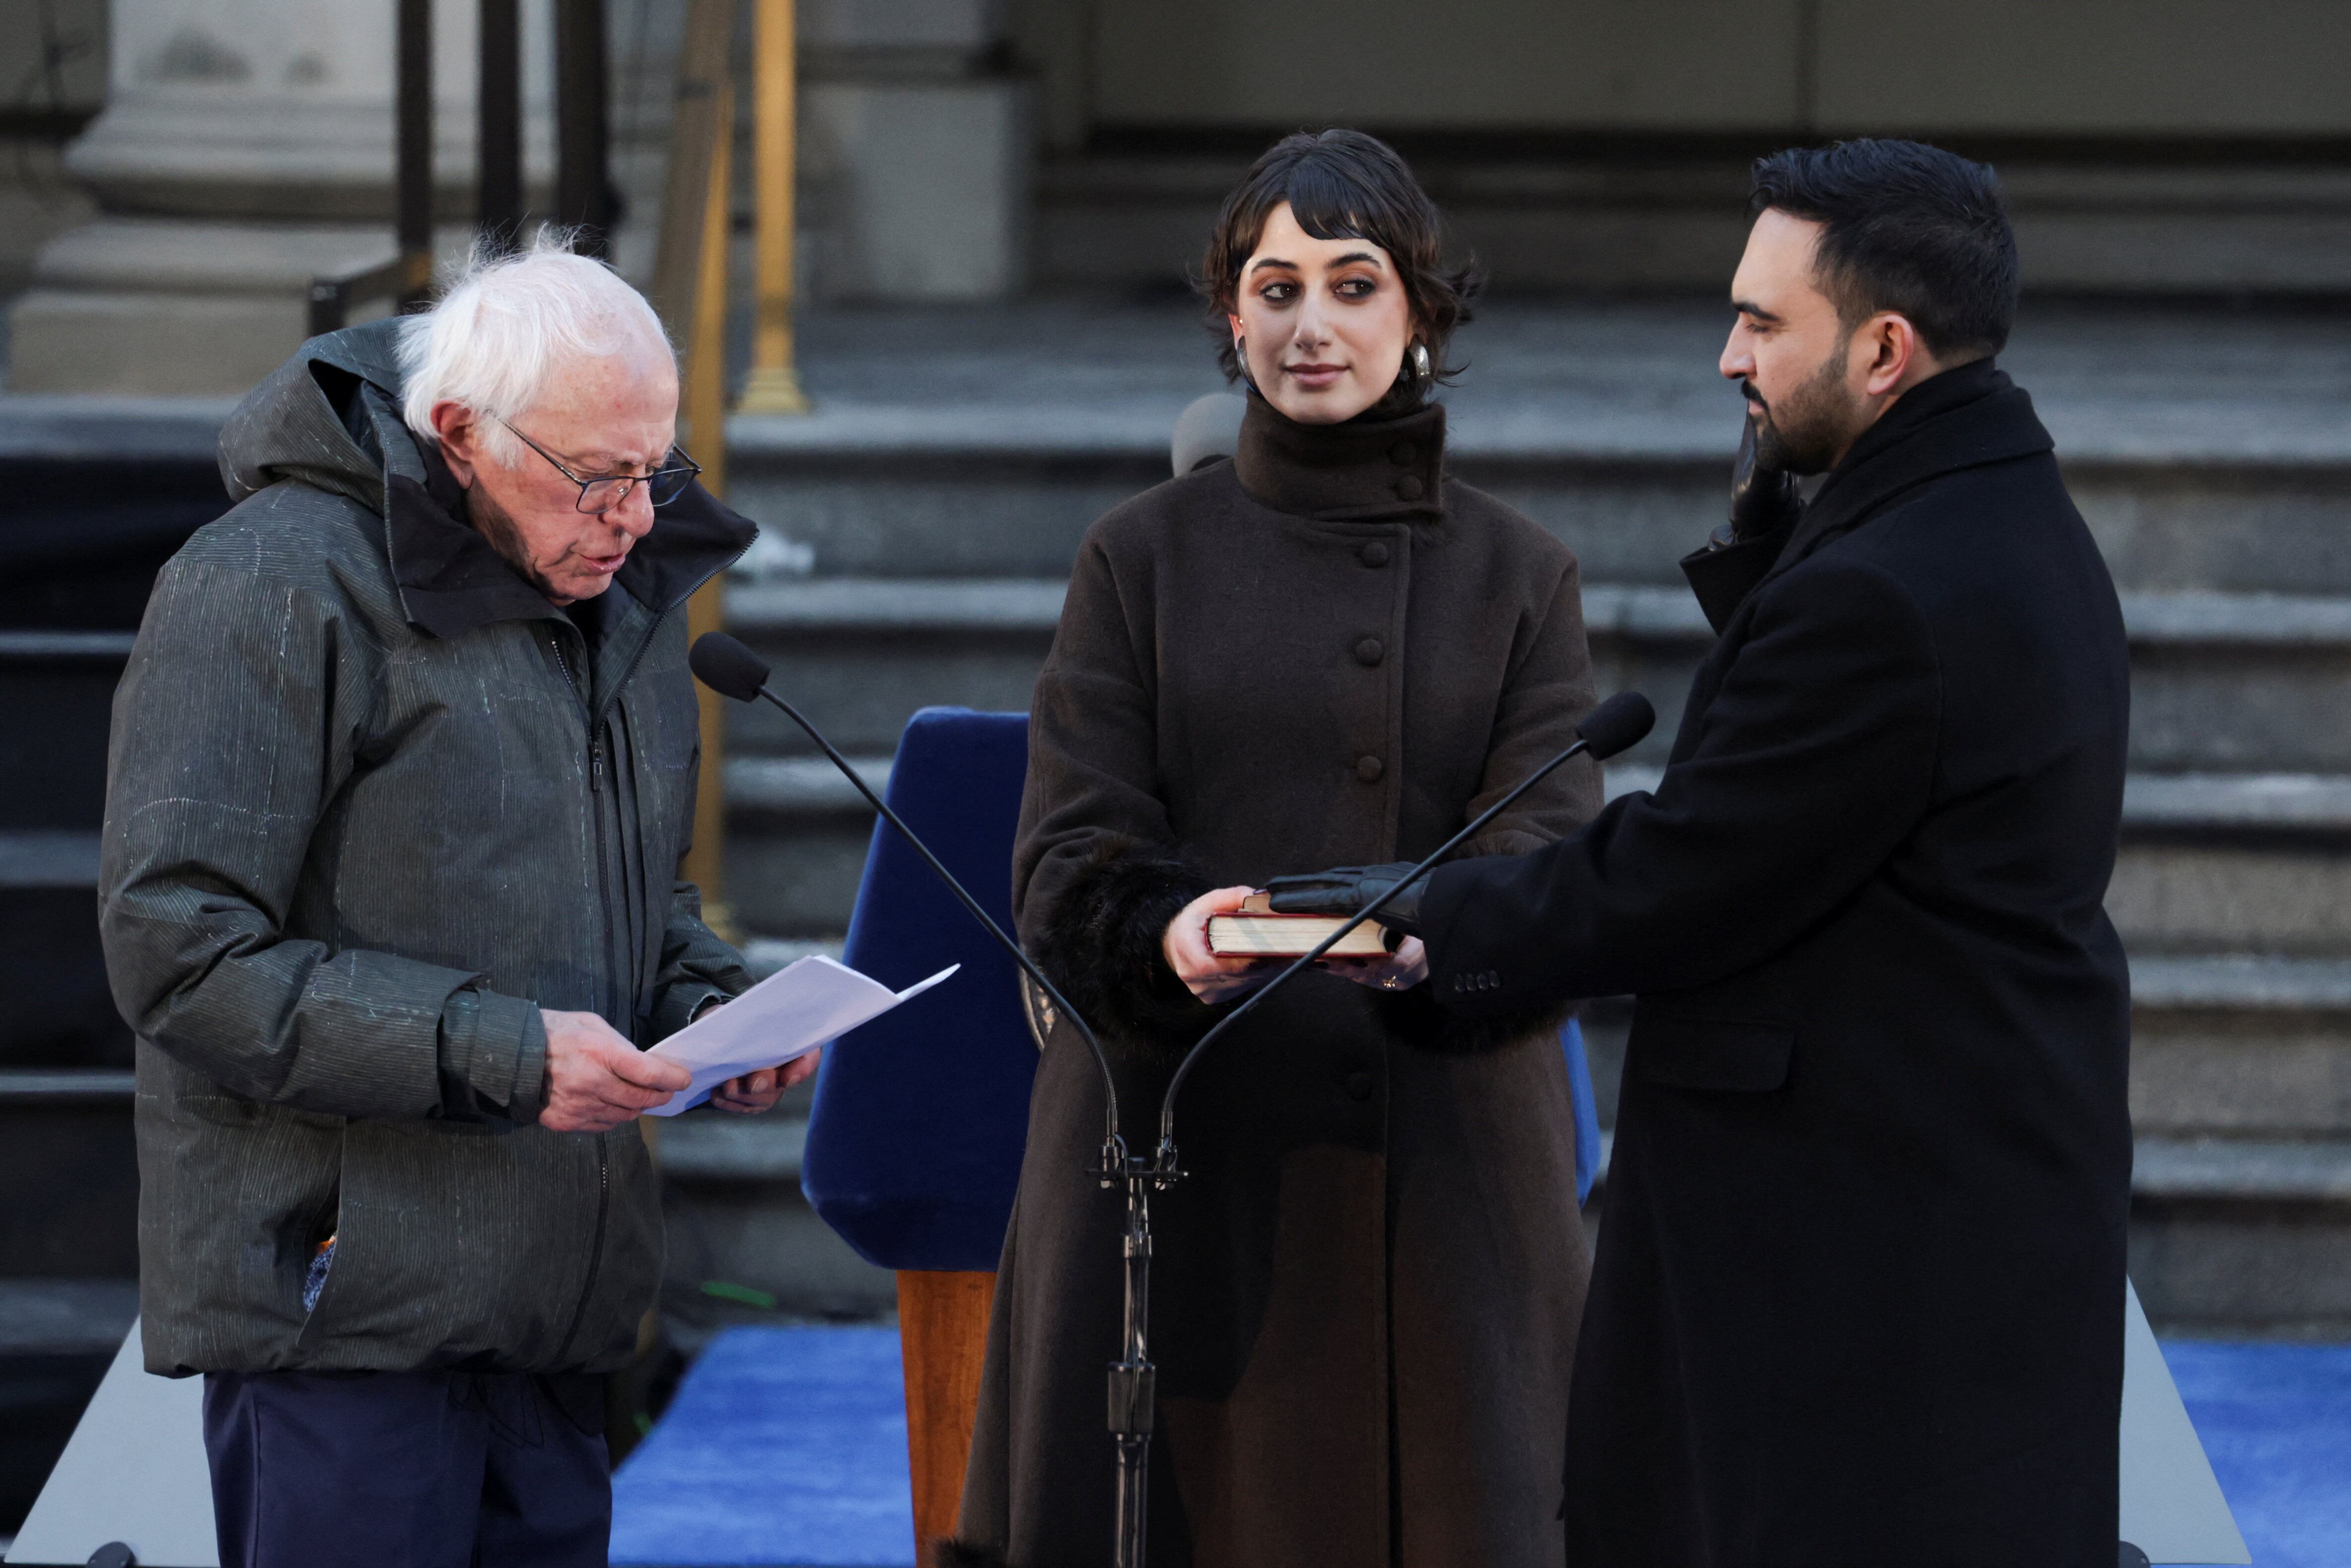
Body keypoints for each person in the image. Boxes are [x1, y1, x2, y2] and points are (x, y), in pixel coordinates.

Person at [1271, 139, 2134, 1565]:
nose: (1728, 355)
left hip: (1855, 1239)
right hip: (1944, 1197)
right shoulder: (1989, 511)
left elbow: (1689, 872)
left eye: (1760, 322)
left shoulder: (1886, 586)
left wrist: (1434, 919)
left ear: (1883, 351)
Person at [943, 130, 1603, 1568]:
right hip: (1179, 1137)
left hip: (1438, 1164)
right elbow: (1071, 844)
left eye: (1354, 285)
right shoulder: (1138, 556)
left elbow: (1554, 843)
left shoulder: (1521, 571)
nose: (1312, 325)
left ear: (1419, 317)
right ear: (1230, 317)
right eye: (1276, 285)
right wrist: (1160, 934)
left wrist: (1448, 931)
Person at [98, 237, 811, 1568]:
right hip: (344, 1310)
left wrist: (714, 1003)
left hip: (555, 1300)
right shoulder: (266, 582)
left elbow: (626, 894)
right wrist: (506, 1051)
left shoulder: (616, 595)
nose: (637, 517)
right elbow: (177, 948)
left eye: (655, 470)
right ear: (458, 435)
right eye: (596, 476)